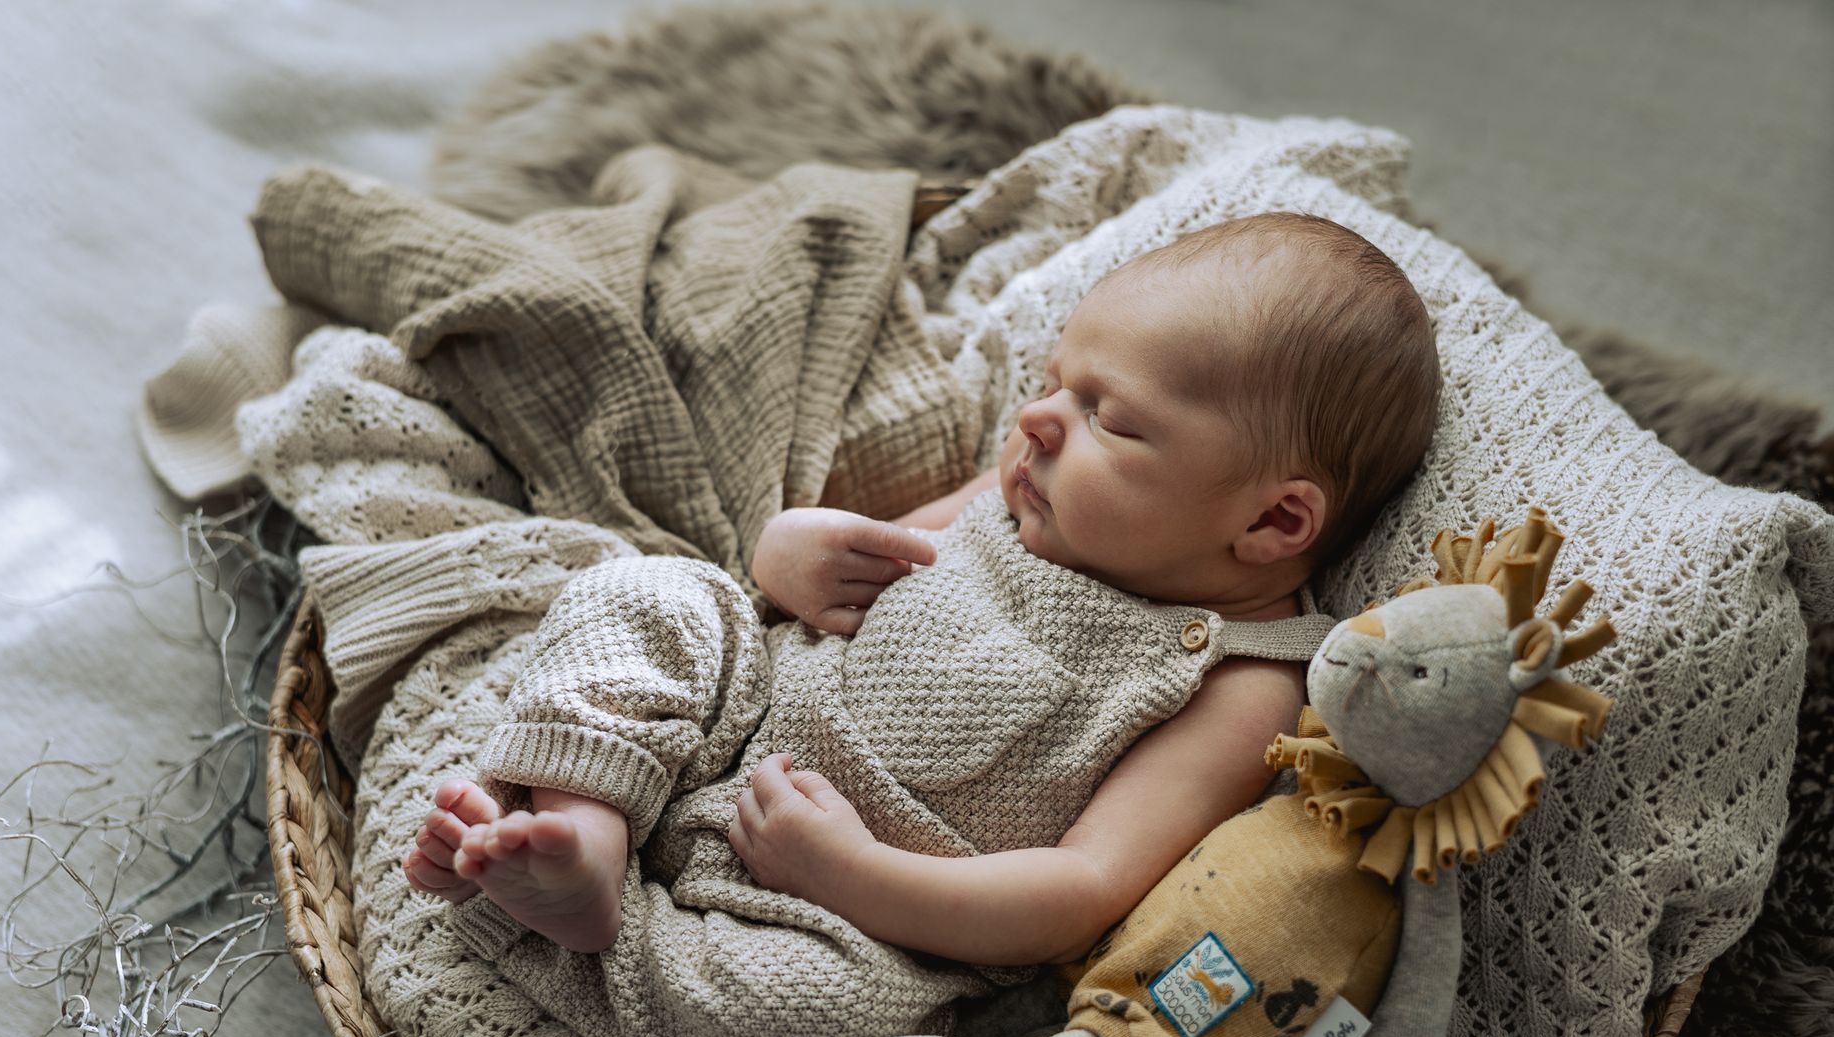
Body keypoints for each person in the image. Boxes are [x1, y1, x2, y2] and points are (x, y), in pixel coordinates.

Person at [402, 210, 1440, 983]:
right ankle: (583, 826)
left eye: (1108, 419)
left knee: (831, 1005)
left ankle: (587, 919)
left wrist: (853, 876)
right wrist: (784, 555)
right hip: (733, 724)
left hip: (861, 912)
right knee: (654, 593)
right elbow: (838, 569)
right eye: (1052, 381)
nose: (1036, 421)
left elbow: (1081, 890)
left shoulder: (1243, 681)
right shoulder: (1019, 492)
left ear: (1273, 523)